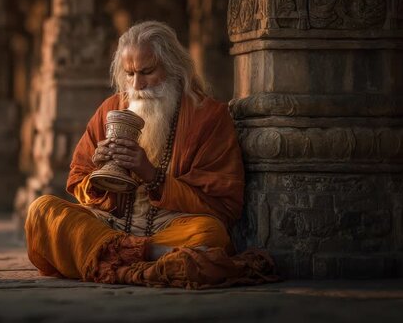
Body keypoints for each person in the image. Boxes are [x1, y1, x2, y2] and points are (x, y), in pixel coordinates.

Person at [25, 21, 277, 289]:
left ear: (172, 67)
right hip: (109, 225)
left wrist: (152, 175)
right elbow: (78, 181)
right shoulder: (111, 108)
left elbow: (224, 206)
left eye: (147, 72)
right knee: (41, 211)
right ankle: (152, 261)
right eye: (129, 74)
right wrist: (98, 174)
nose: (137, 84)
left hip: (170, 226)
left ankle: (110, 260)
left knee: (209, 234)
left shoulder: (209, 116)